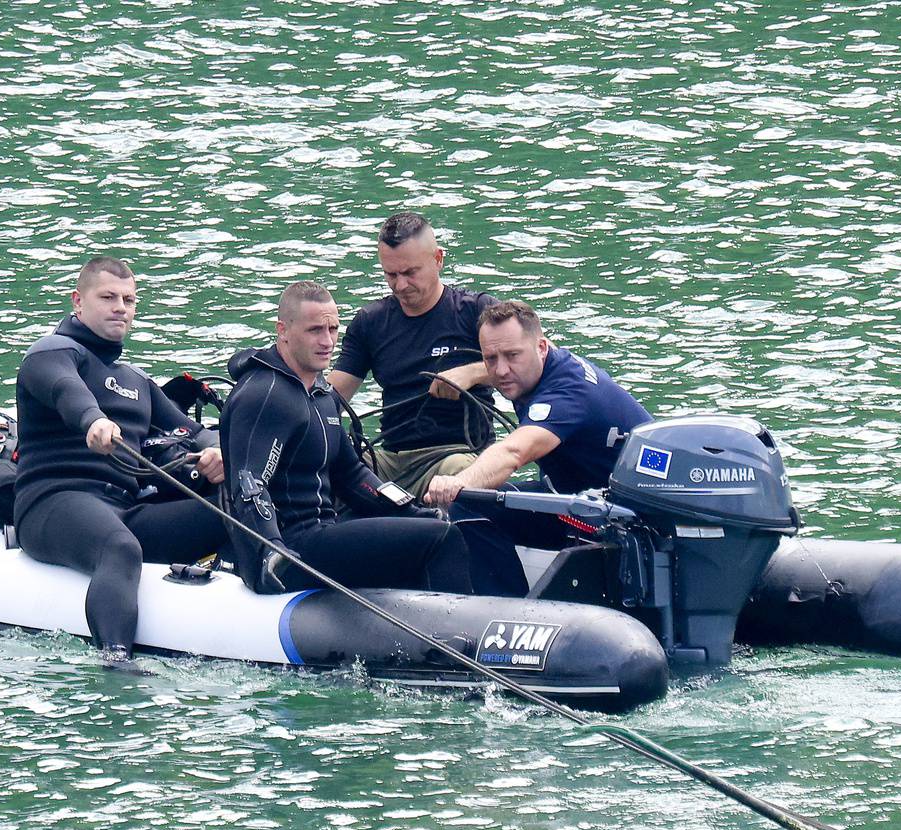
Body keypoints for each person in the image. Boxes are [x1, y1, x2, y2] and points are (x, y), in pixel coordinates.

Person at [13, 255, 226, 664]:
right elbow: (65, 390)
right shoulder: (52, 352)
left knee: (230, 513)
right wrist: (92, 421)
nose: (120, 308)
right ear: (78, 301)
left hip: (124, 508)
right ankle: (116, 663)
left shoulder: (137, 381)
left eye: (129, 300)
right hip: (53, 504)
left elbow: (194, 432)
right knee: (120, 548)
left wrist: (219, 450)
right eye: (108, 297)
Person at [218, 281, 476, 595]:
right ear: (283, 330)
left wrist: (412, 511)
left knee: (435, 525)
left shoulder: (320, 392)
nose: (327, 341)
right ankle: (456, 637)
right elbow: (249, 484)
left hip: (323, 532)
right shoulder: (265, 394)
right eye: (315, 330)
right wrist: (271, 548)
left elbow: (353, 476)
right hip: (288, 552)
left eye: (333, 330)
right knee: (440, 538)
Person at [423, 300, 652, 596]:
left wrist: (459, 482)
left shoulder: (567, 393)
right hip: (576, 498)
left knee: (466, 499)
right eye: (490, 358)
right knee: (474, 505)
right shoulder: (540, 366)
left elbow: (514, 452)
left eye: (512, 356)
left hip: (618, 520)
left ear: (541, 348)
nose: (501, 370)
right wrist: (473, 373)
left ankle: (507, 611)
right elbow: (509, 359)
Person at [328, 212, 500, 495]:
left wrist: (472, 372)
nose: (400, 285)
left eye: (410, 273)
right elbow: (331, 398)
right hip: (389, 459)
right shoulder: (370, 322)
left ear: (438, 259)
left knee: (457, 480)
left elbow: (538, 361)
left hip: (456, 455)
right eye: (390, 274)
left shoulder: (476, 311)